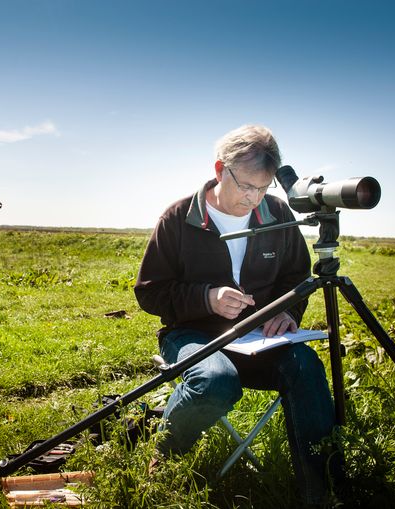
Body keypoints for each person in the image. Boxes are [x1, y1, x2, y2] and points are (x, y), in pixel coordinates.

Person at [134, 125, 340, 506]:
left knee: (307, 367)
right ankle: (160, 468)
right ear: (219, 169)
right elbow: (149, 292)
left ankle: (323, 495)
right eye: (246, 186)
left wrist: (287, 312)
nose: (253, 198)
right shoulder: (178, 218)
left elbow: (297, 275)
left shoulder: (277, 212)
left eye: (263, 188)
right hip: (193, 335)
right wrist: (206, 298)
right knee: (214, 380)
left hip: (260, 339)